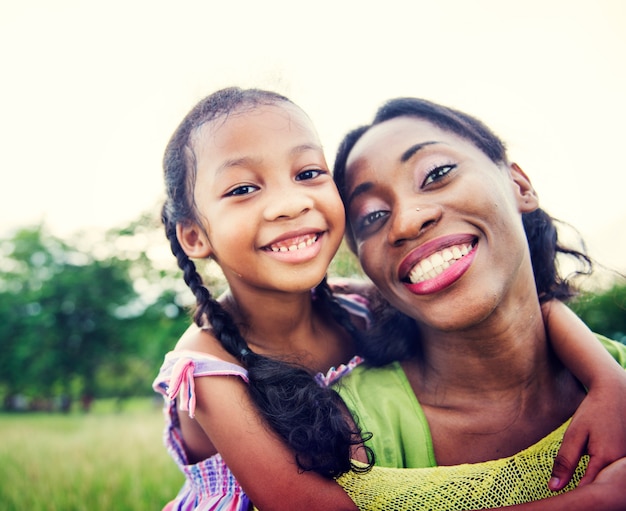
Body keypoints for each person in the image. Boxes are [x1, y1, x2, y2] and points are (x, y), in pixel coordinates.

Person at [153, 87, 626, 511]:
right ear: (195, 236)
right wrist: (596, 499)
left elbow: (532, 310)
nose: (290, 202)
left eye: (308, 172)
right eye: (243, 188)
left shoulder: (353, 305)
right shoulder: (206, 366)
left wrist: (607, 380)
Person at [329, 96, 626, 509]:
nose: (407, 221)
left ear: (519, 185)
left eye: (437, 173)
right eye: (372, 215)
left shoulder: (617, 377)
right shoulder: (347, 432)